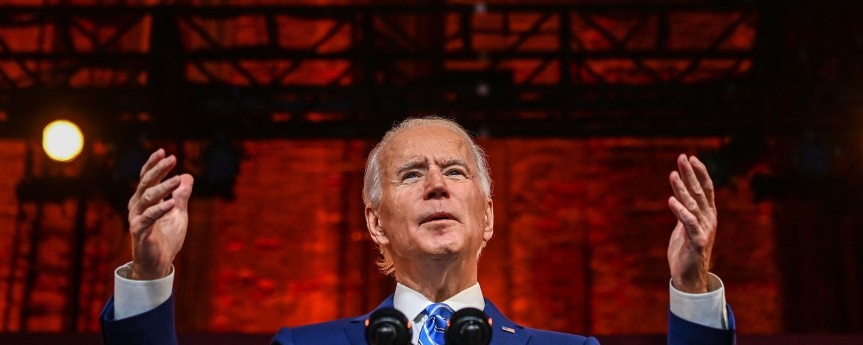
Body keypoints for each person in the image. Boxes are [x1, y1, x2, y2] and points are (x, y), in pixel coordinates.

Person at [100, 116, 735, 345]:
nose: (436, 184)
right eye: (412, 174)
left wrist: (692, 286)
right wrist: (152, 277)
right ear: (375, 222)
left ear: (487, 217)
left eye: (455, 171)